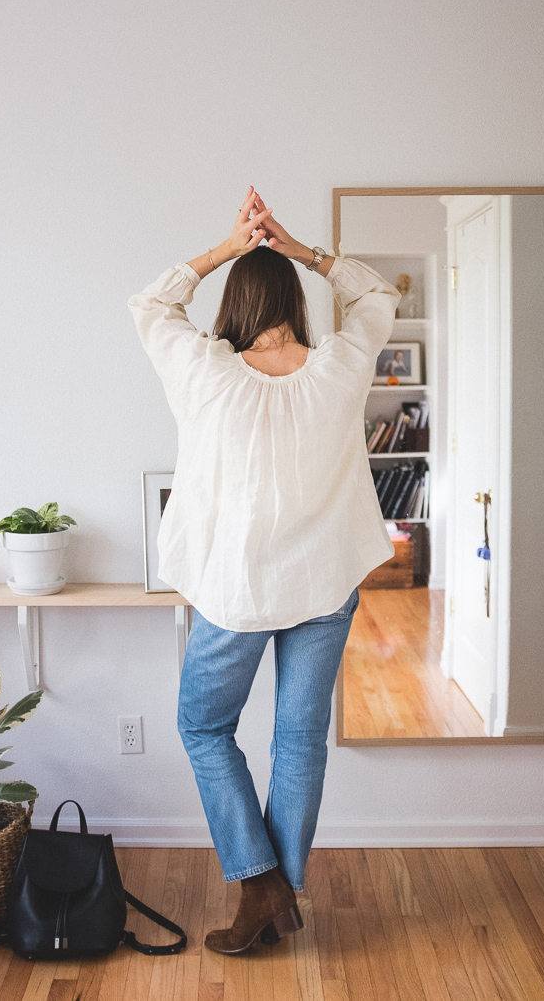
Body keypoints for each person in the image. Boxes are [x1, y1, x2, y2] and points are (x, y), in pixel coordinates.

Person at [127, 187, 402, 956]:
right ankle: (274, 890)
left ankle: (261, 883)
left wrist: (229, 245)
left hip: (239, 590)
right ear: (292, 296)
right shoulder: (342, 364)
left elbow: (150, 303)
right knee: (299, 741)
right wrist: (296, 246)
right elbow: (376, 293)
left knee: (202, 724)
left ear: (235, 303)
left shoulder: (207, 373)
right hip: (325, 586)